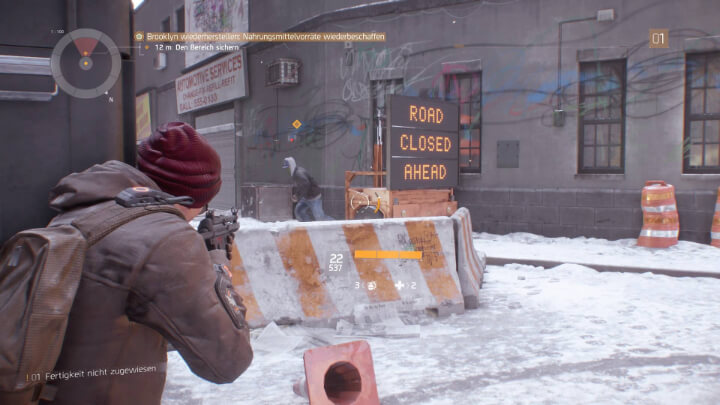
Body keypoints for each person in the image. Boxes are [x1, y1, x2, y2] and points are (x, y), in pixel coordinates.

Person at [40, 122, 253, 405]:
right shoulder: (165, 238)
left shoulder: (81, 211)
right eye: (202, 205)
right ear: (188, 197)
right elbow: (229, 360)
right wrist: (217, 266)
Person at [283, 156, 334, 221]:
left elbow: (305, 185)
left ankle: (337, 225)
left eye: (288, 167)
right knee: (299, 212)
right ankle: (307, 225)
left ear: (291, 166)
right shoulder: (296, 172)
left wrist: (297, 196)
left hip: (314, 197)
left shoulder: (299, 173)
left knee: (320, 218)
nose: (287, 170)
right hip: (306, 197)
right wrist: (297, 194)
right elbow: (301, 186)